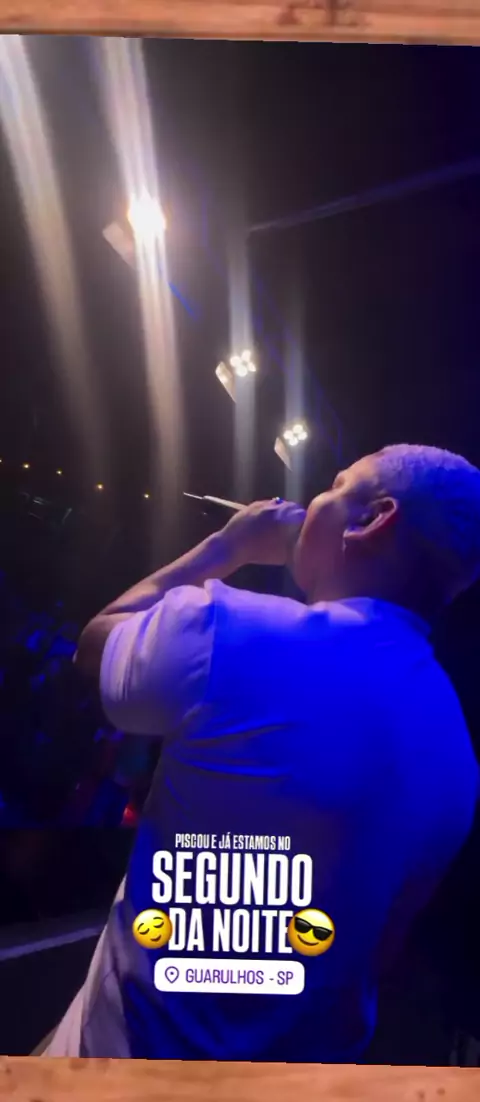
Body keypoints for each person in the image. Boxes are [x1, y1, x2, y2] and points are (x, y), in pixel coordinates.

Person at [41, 444, 480, 1061]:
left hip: (120, 1058)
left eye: (335, 485)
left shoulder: (232, 630)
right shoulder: (455, 745)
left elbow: (95, 646)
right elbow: (382, 949)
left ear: (371, 518)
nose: (311, 502)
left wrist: (227, 546)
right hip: (303, 1079)